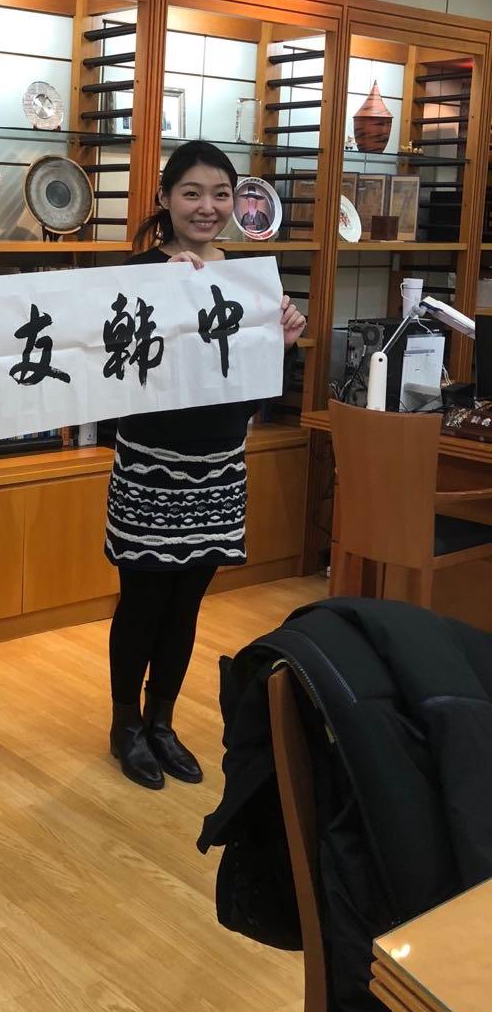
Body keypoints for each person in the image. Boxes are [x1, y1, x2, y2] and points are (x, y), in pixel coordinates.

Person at [105, 140, 305, 790]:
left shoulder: (248, 283)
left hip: (219, 467)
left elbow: (252, 393)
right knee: (143, 600)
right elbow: (112, 374)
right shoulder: (137, 274)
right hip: (149, 466)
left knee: (188, 600)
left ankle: (162, 721)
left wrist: (283, 342)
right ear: (165, 198)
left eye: (221, 194)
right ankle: (125, 725)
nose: (207, 206)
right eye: (191, 192)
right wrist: (164, 294)